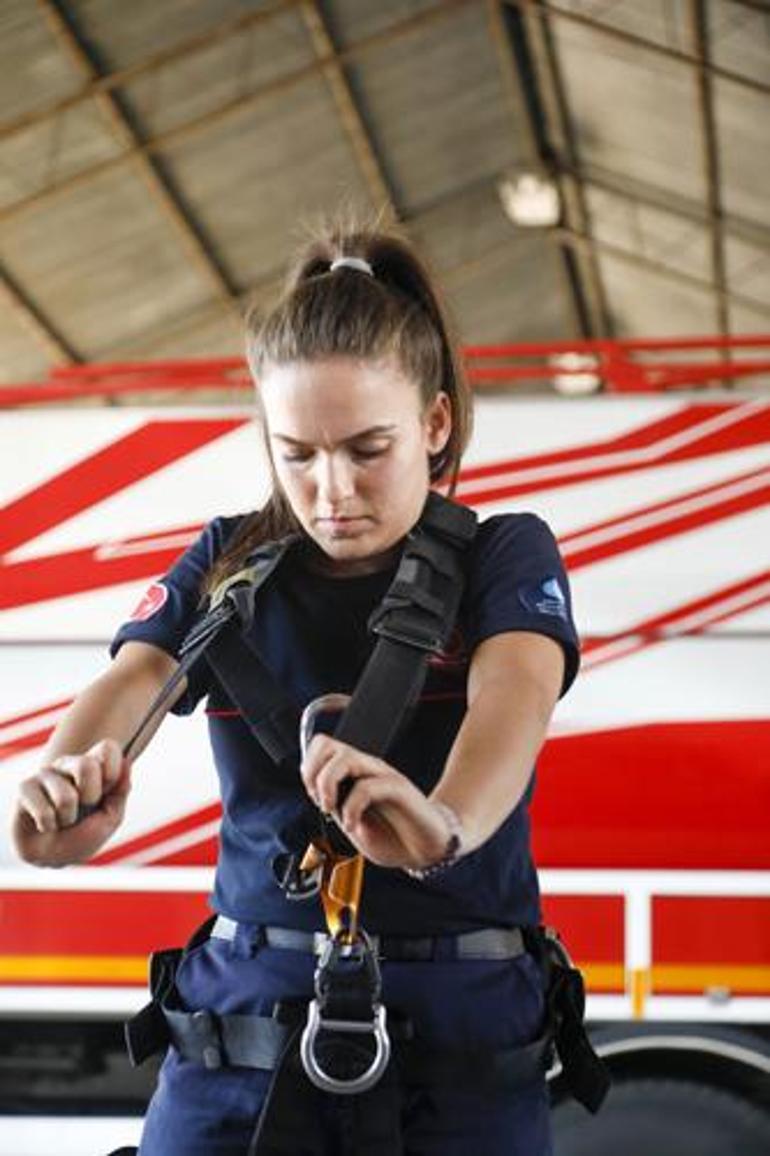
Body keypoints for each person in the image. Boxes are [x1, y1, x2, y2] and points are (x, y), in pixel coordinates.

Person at [12, 219, 581, 1156]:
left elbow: (513, 695)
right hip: (243, 1029)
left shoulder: (502, 554)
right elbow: (134, 678)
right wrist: (62, 789)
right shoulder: (231, 559)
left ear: (435, 425)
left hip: (459, 1039)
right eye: (298, 454)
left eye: (367, 449)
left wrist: (446, 824)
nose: (331, 491)